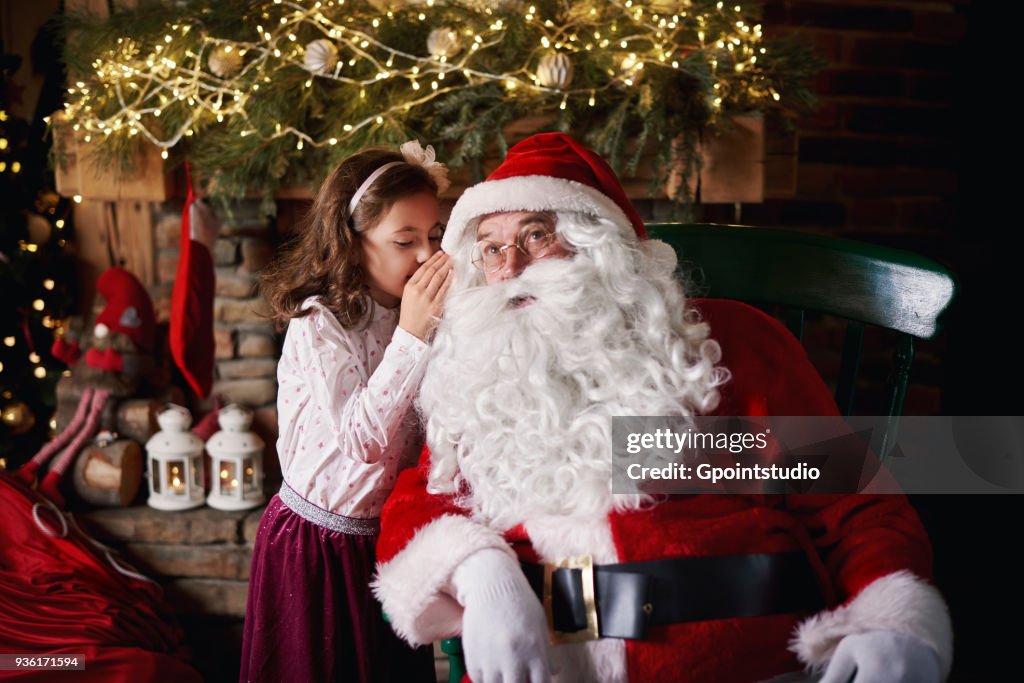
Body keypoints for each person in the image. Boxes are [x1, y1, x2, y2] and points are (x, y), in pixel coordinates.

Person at [373, 133, 952, 683]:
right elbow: (418, 503)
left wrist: (891, 619)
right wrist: (481, 573)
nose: (509, 269)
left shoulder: (737, 343)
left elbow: (855, 505)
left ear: (598, 245)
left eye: (534, 236)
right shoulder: (482, 369)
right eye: (492, 249)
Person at [240, 141, 452, 683]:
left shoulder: (418, 314)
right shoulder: (321, 324)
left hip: (386, 542)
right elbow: (363, 438)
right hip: (316, 548)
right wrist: (412, 335)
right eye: (404, 240)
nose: (426, 256)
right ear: (352, 243)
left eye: (433, 237)